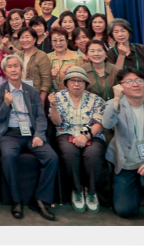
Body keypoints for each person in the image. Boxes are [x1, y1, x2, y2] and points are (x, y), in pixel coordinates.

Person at [0, 55, 58, 221]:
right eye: (10, 67)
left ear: (22, 70)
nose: (14, 69)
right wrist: (6, 103)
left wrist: (39, 135)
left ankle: (41, 200)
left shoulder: (32, 91)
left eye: (17, 66)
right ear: (5, 71)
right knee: (8, 156)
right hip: (9, 134)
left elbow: (41, 117)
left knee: (52, 157)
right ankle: (16, 200)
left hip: (31, 133)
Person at [102, 69, 144, 225]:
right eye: (129, 81)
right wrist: (116, 100)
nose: (135, 84)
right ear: (120, 86)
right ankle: (140, 191)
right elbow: (107, 124)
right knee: (125, 211)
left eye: (139, 80)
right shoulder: (114, 105)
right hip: (126, 164)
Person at [48, 67, 106, 213]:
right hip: (66, 133)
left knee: (93, 154)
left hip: (91, 134)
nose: (76, 84)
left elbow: (99, 123)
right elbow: (56, 122)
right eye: (72, 81)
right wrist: (54, 105)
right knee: (69, 153)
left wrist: (85, 136)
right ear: (66, 83)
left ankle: (91, 192)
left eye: (80, 81)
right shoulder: (58, 97)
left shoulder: (96, 99)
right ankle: (77, 190)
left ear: (85, 84)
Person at [106, 19, 144, 104]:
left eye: (123, 31)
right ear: (112, 35)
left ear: (129, 32)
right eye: (116, 32)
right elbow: (116, 75)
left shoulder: (141, 48)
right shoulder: (111, 53)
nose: (120, 34)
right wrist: (121, 55)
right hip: (127, 96)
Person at [16, 27, 52, 105]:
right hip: (19, 94)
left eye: (27, 37)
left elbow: (46, 80)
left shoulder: (42, 56)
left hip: (35, 96)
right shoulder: (18, 56)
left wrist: (41, 99)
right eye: (22, 37)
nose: (24, 40)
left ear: (34, 39)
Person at [48, 27, 84, 92]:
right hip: (52, 97)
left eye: (61, 40)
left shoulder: (77, 58)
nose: (58, 43)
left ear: (67, 41)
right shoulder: (47, 58)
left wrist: (72, 75)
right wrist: (49, 75)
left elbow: (83, 80)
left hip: (72, 95)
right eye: (54, 40)